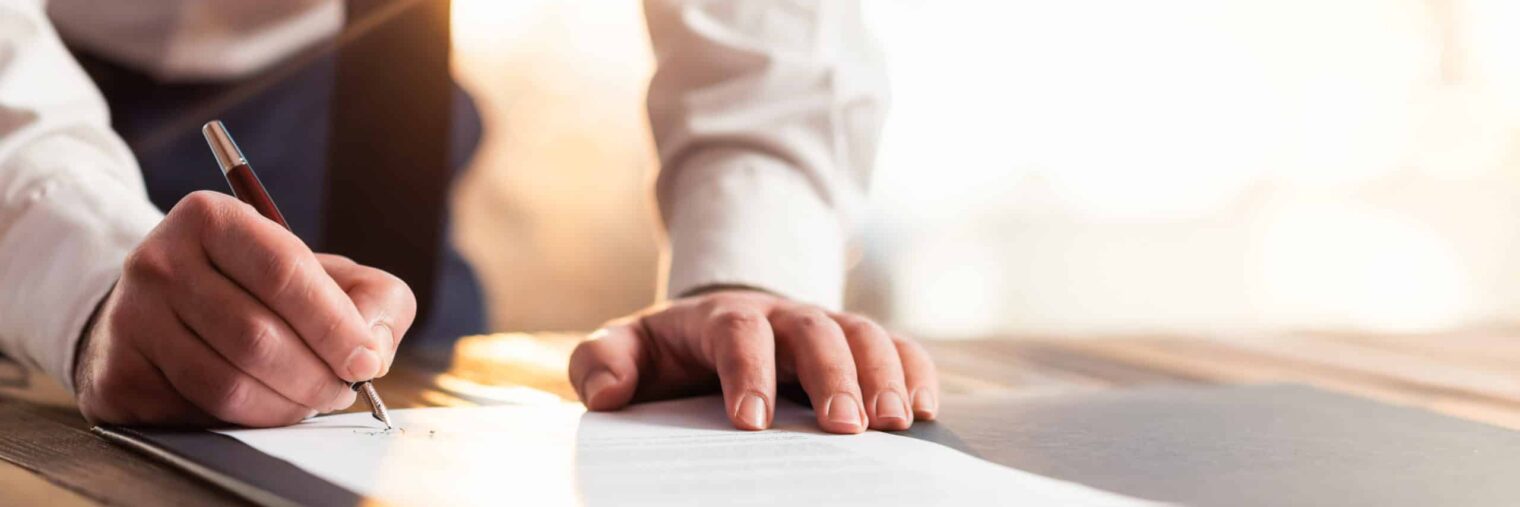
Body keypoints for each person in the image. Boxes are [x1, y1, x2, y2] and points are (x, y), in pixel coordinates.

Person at [0, 0, 937, 434]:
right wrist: (83, 266)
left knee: (388, 364)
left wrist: (745, 269)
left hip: (373, 83)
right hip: (44, 87)